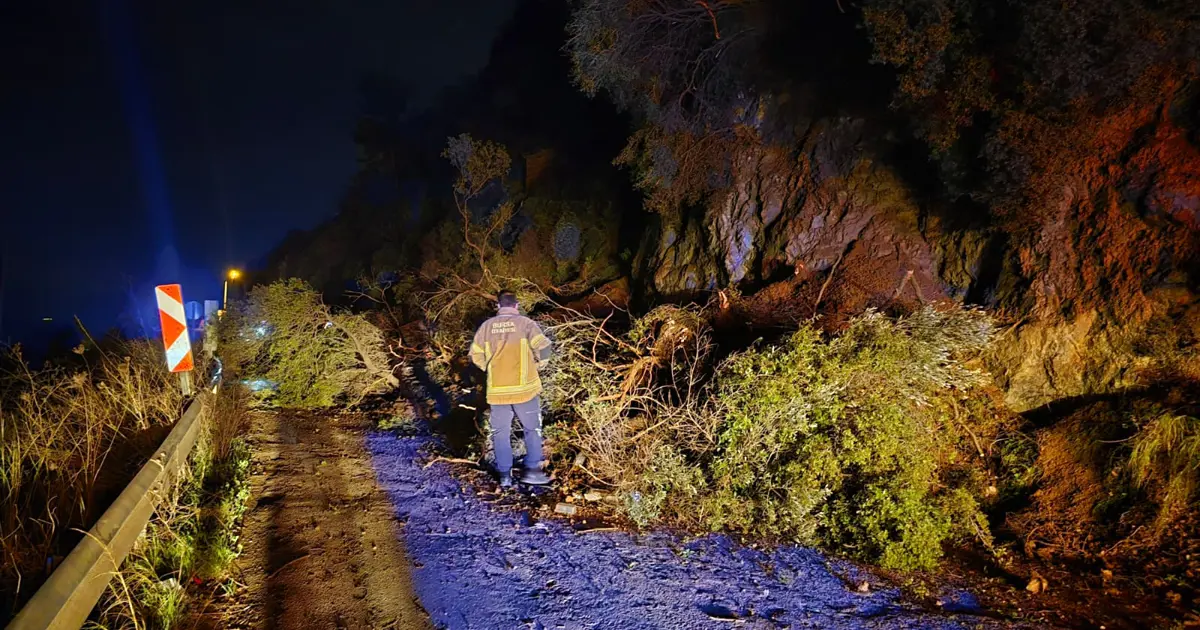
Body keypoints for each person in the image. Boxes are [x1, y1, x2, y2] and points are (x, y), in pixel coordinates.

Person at [470, 290, 553, 488]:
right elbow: (544, 347)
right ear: (516, 306)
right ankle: (532, 471)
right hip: (525, 391)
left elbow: (475, 355)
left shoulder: (486, 327)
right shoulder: (525, 324)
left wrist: (490, 368)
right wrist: (539, 365)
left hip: (498, 392)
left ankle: (505, 476)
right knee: (532, 429)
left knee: (500, 433)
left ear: (498, 306)